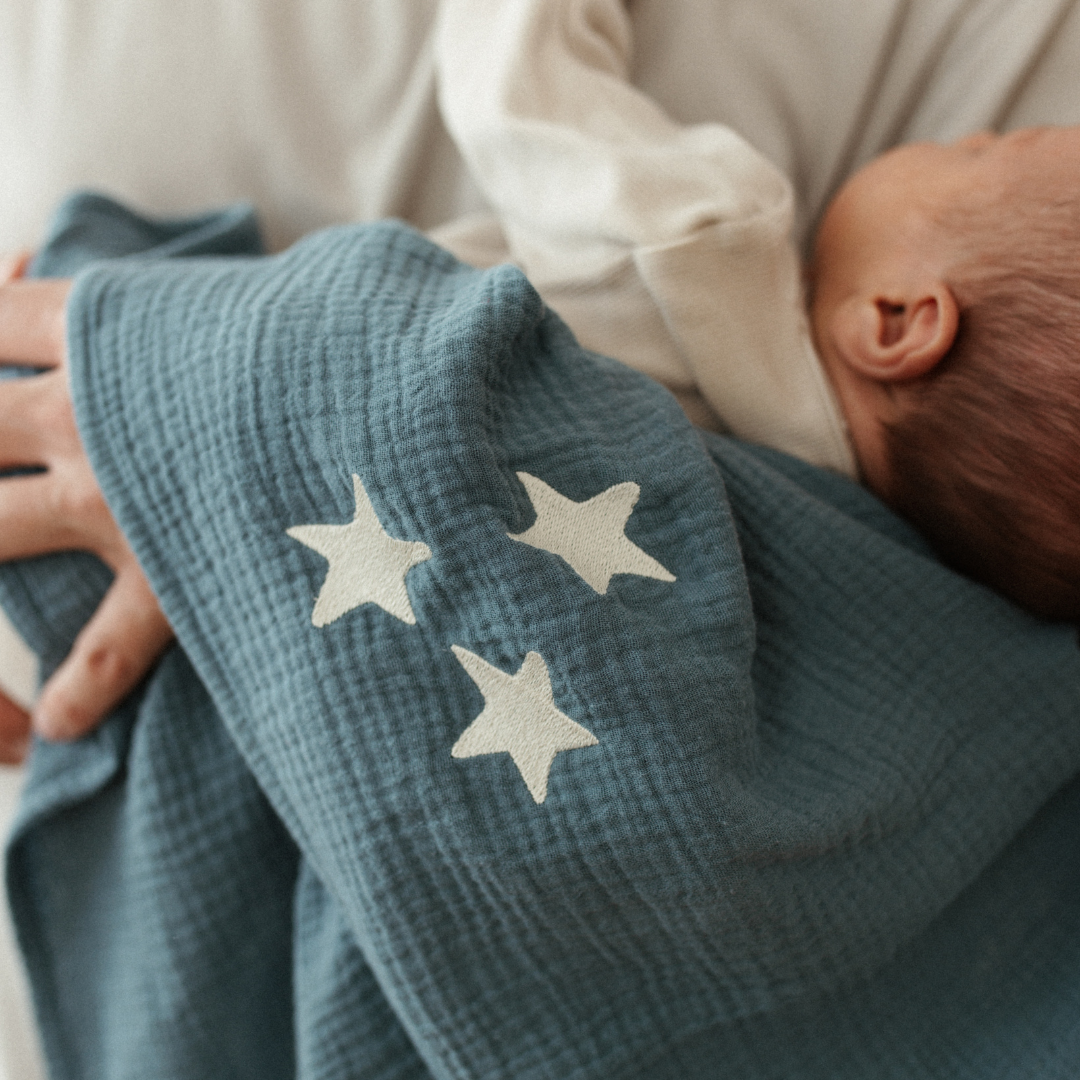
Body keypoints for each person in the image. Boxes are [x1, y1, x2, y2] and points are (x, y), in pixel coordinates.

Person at [1, 0, 1079, 753]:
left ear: (898, 322)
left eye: (988, 150)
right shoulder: (831, 557)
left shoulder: (703, 248)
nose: (970, 135)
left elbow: (521, 90)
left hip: (209, 394)